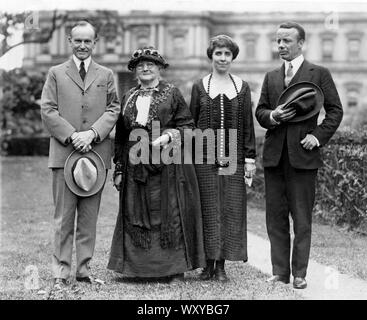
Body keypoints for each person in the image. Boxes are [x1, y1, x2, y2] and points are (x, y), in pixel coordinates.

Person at [255, 21, 343, 289]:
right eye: (278, 41)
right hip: (274, 158)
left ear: (301, 43)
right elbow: (260, 112)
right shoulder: (270, 76)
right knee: (275, 218)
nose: (280, 45)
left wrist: (317, 136)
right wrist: (272, 115)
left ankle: (300, 274)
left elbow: (335, 111)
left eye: (286, 41)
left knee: (302, 219)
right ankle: (280, 272)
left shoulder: (319, 73)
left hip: (303, 158)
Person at [107, 46, 205, 281]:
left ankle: (172, 269)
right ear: (135, 71)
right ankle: (138, 270)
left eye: (150, 64)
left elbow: (188, 126)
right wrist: (119, 169)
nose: (145, 68)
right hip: (135, 166)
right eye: (140, 65)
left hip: (167, 165)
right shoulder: (129, 97)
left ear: (159, 68)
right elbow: (121, 137)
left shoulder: (172, 93)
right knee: (135, 213)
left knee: (168, 213)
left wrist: (169, 136)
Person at [41, 20, 120, 288]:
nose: (83, 45)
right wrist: (73, 135)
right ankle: (61, 272)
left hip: (96, 154)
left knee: (89, 216)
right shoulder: (55, 72)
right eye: (78, 40)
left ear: (95, 43)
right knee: (63, 217)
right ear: (70, 42)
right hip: (64, 153)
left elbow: (113, 109)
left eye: (88, 41)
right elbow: (48, 110)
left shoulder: (106, 74)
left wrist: (93, 134)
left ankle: (84, 269)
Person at [189, 35, 256, 282]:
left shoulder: (242, 86)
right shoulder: (200, 86)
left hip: (233, 157)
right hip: (203, 157)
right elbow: (191, 123)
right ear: (212, 56)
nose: (223, 58)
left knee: (229, 209)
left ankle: (221, 266)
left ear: (232, 57)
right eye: (218, 53)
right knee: (207, 208)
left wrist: (249, 158)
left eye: (227, 54)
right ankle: (207, 265)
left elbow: (247, 124)